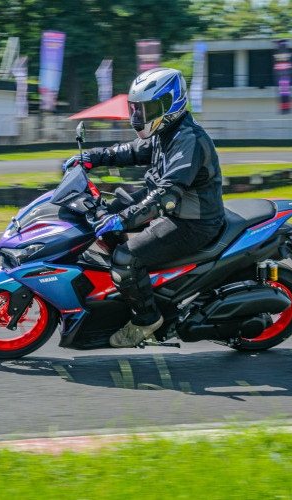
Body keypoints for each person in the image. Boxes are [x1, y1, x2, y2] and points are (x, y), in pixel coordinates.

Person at [62, 67, 224, 348]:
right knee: (100, 215)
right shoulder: (167, 130)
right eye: (136, 109)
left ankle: (146, 318)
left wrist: (124, 220)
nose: (140, 117)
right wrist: (91, 158)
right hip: (170, 206)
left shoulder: (189, 140)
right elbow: (133, 150)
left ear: (170, 103)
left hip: (191, 221)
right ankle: (129, 286)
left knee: (126, 257)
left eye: (146, 109)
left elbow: (167, 195)